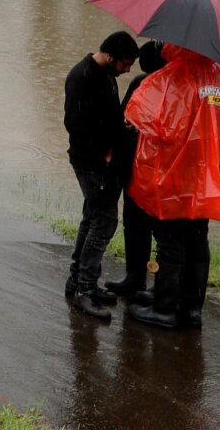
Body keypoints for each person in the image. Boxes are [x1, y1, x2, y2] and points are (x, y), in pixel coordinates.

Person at [123, 43, 220, 330]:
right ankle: (191, 309)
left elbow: (142, 116)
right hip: (207, 181)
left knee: (170, 243)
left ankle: (164, 309)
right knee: (197, 242)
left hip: (173, 176)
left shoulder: (170, 78)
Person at [63, 30, 139, 320]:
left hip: (103, 159)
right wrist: (103, 151)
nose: (128, 69)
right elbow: (74, 124)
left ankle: (78, 282)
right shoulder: (81, 77)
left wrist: (122, 129)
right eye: (125, 63)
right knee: (104, 222)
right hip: (90, 161)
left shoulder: (107, 76)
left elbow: (106, 117)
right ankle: (85, 290)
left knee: (92, 217)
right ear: (110, 56)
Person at [104, 40, 167, 305]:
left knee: (162, 231)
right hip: (136, 167)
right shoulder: (140, 84)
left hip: (161, 171)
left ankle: (160, 286)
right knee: (134, 222)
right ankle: (135, 276)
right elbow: (122, 120)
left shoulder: (176, 90)